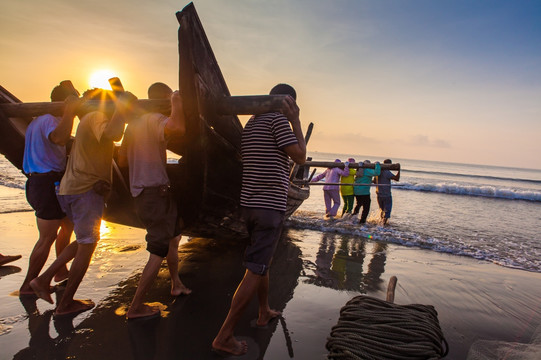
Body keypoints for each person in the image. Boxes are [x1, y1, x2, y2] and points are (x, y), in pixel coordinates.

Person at [212, 83, 306, 356]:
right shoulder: (279, 121)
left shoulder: (252, 123)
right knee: (255, 269)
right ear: (288, 102)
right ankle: (224, 334)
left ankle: (264, 310)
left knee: (264, 263)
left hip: (250, 205)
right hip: (269, 208)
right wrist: (296, 121)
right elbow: (300, 155)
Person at [30, 88, 135, 316]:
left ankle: (44, 279)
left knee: (84, 241)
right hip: (84, 190)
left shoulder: (87, 120)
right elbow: (113, 134)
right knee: (88, 245)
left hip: (73, 188)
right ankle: (65, 304)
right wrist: (122, 107)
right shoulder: (97, 117)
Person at [117, 83, 191, 319]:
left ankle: (176, 283)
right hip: (154, 194)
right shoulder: (155, 119)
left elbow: (121, 159)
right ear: (165, 99)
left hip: (144, 193)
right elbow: (178, 128)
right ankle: (136, 306)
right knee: (158, 249)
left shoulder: (132, 126)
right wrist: (177, 102)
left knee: (173, 237)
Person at [19, 81, 79, 296]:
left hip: (45, 182)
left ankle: (60, 271)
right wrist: (70, 113)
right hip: (46, 183)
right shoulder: (49, 120)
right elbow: (59, 138)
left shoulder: (37, 121)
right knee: (47, 237)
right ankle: (28, 284)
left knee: (68, 225)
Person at [353, 160, 381, 224]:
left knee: (358, 204)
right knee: (366, 207)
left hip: (357, 191)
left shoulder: (359, 170)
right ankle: (362, 221)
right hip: (364, 192)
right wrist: (377, 165)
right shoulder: (367, 170)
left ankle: (354, 217)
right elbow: (377, 173)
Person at [375, 159, 400, 225]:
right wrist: (399, 171)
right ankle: (383, 225)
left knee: (382, 210)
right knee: (387, 211)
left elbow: (374, 181)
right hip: (386, 194)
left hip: (379, 194)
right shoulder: (387, 172)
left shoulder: (378, 171)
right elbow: (397, 179)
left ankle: (381, 223)